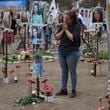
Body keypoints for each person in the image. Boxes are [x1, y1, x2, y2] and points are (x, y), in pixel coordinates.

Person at [55, 11, 81, 98]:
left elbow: (73, 38)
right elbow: (56, 37)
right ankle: (63, 89)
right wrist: (63, 29)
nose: (65, 20)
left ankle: (73, 90)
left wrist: (66, 30)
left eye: (67, 19)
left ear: (72, 19)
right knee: (64, 71)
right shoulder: (63, 25)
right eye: (64, 18)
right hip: (62, 51)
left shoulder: (76, 26)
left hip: (72, 52)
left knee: (72, 71)